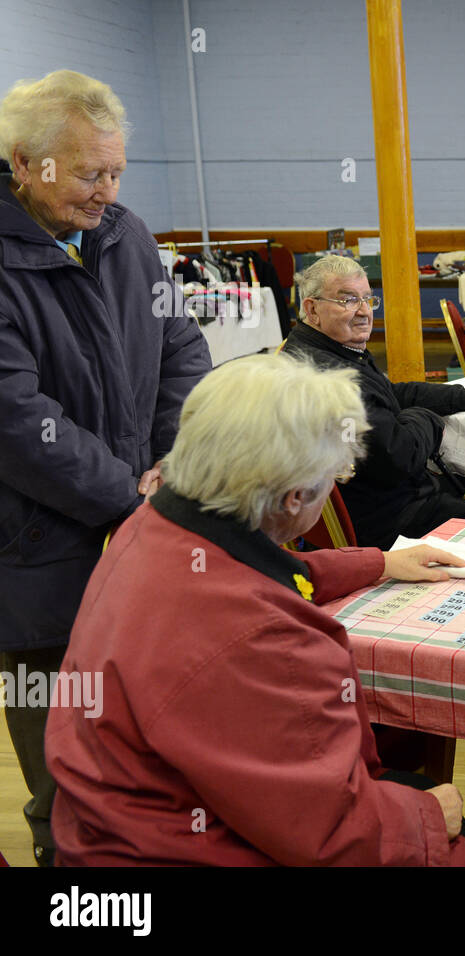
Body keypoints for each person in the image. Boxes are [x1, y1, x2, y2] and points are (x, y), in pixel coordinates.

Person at [44, 354, 465, 866]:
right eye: (336, 475)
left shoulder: (154, 526)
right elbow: (333, 836)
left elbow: (266, 569)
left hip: (118, 829)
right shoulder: (260, 639)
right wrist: (429, 818)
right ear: (296, 498)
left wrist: (381, 562)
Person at [0, 69, 211, 866]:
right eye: (90, 173)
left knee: (157, 748)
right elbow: (16, 420)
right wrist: (127, 492)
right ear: (25, 163)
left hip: (147, 536)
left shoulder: (127, 235)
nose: (107, 191)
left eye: (117, 171)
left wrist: (170, 460)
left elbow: (181, 352)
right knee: (65, 768)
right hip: (42, 559)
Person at [284, 254, 465, 549]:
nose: (364, 311)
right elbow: (402, 455)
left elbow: (388, 393)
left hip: (370, 502)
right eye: (348, 300)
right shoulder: (337, 378)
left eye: (368, 299)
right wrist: (428, 418)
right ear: (312, 309)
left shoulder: (308, 349)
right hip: (389, 524)